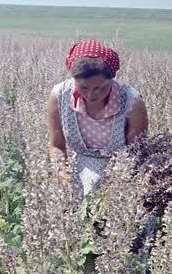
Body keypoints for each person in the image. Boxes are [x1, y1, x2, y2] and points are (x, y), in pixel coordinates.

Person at [46, 40, 148, 197]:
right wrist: (63, 177)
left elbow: (136, 153)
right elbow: (57, 146)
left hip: (120, 175)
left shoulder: (131, 101)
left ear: (112, 79)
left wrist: (116, 183)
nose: (91, 95)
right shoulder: (59, 95)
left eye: (100, 88)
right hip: (76, 169)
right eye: (83, 87)